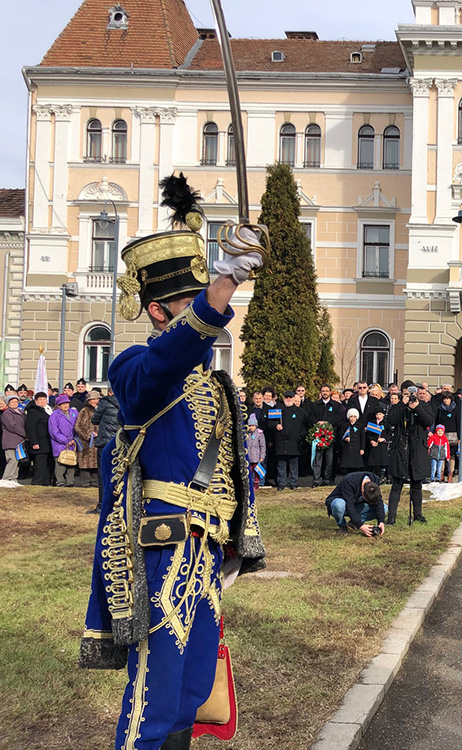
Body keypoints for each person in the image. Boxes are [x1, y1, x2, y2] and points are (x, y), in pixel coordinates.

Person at [79, 174, 265, 750]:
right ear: (160, 313)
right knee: (154, 696)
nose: (208, 313)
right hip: (160, 544)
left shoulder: (210, 381)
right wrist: (227, 280)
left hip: (204, 545)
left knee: (191, 691)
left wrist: (235, 535)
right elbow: (172, 356)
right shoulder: (135, 367)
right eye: (192, 303)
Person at [385, 386, 435, 524]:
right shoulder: (398, 406)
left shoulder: (424, 406)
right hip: (401, 448)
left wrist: (416, 407)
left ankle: (418, 514)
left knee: (416, 483)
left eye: (413, 394)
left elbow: (429, 421)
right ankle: (391, 516)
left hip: (417, 449)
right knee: (396, 484)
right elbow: (391, 420)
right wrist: (403, 404)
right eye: (407, 394)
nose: (410, 397)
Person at [325, 470, 386, 535]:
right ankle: (342, 525)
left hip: (356, 504)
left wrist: (381, 521)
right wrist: (360, 525)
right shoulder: (349, 480)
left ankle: (353, 523)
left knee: (385, 508)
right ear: (362, 491)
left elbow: (378, 502)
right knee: (339, 504)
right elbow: (349, 505)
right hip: (342, 503)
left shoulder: (375, 480)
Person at [90, 386, 120, 514]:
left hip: (105, 442)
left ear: (109, 392)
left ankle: (103, 505)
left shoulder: (105, 402)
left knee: (103, 474)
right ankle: (118, 503)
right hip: (120, 442)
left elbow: (95, 420)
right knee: (119, 473)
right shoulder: (126, 401)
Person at [309, 383, 343, 487]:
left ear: (329, 392)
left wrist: (326, 423)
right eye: (323, 391)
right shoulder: (315, 405)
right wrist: (318, 423)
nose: (325, 393)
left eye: (327, 391)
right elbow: (310, 417)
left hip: (330, 436)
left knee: (329, 459)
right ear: (321, 392)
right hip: (318, 437)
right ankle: (316, 480)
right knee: (317, 459)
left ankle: (328, 479)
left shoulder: (336, 405)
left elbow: (338, 418)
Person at [274, 390, 305, 491]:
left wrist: (300, 436)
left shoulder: (300, 412)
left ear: (293, 398)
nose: (288, 399)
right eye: (286, 397)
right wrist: (276, 425)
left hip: (294, 442)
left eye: (290, 397)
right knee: (281, 465)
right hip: (281, 442)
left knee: (294, 465)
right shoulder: (277, 410)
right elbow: (269, 423)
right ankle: (281, 483)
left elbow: (305, 426)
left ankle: (293, 482)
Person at [49, 394, 79, 487]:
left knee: (71, 462)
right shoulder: (54, 416)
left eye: (67, 403)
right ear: (59, 405)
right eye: (63, 404)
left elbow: (78, 426)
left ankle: (70, 482)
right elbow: (54, 432)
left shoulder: (74, 413)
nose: (66, 405)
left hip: (72, 442)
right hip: (60, 443)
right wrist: (66, 441)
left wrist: (75, 439)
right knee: (61, 464)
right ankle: (60, 482)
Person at [74, 390, 102, 488]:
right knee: (86, 462)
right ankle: (85, 482)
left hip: (99, 440)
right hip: (87, 442)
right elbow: (78, 426)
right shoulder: (84, 411)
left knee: (96, 462)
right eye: (93, 399)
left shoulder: (101, 410)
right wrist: (88, 434)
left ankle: (95, 482)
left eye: (97, 399)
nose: (95, 401)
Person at [25, 392, 52, 486]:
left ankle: (46, 481)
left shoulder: (47, 410)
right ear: (36, 400)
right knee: (40, 463)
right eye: (40, 399)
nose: (42, 401)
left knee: (46, 462)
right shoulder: (33, 411)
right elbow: (30, 428)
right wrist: (34, 442)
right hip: (39, 441)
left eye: (44, 399)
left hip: (47, 441)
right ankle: (37, 482)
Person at [1, 394, 26, 482]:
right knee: (12, 460)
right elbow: (13, 426)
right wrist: (25, 433)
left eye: (16, 401)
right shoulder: (7, 413)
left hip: (19, 441)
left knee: (17, 461)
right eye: (12, 402)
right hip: (10, 441)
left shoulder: (21, 412)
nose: (14, 403)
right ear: (8, 404)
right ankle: (6, 479)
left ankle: (14, 479)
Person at [364, 406, 390, 482]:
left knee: (382, 461)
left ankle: (382, 477)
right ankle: (375, 476)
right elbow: (369, 434)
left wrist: (384, 439)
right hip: (374, 445)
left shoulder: (386, 423)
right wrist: (372, 441)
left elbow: (389, 433)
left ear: (383, 415)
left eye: (380, 414)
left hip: (382, 445)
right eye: (377, 414)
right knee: (374, 462)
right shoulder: (372, 423)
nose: (378, 416)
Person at [340, 408, 365, 473]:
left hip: (357, 448)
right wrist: (345, 438)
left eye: (354, 416)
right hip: (348, 449)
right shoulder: (345, 426)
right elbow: (341, 435)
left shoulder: (360, 426)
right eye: (351, 416)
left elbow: (362, 438)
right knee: (348, 466)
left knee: (357, 466)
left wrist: (362, 448)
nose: (352, 418)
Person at [246, 414, 266, 492]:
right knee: (248, 471)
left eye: (253, 426)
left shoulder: (260, 434)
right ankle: (249, 484)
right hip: (248, 457)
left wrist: (262, 456)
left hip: (257, 457)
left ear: (256, 426)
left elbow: (262, 446)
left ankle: (257, 483)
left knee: (257, 471)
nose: (251, 427)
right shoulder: (246, 434)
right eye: (250, 426)